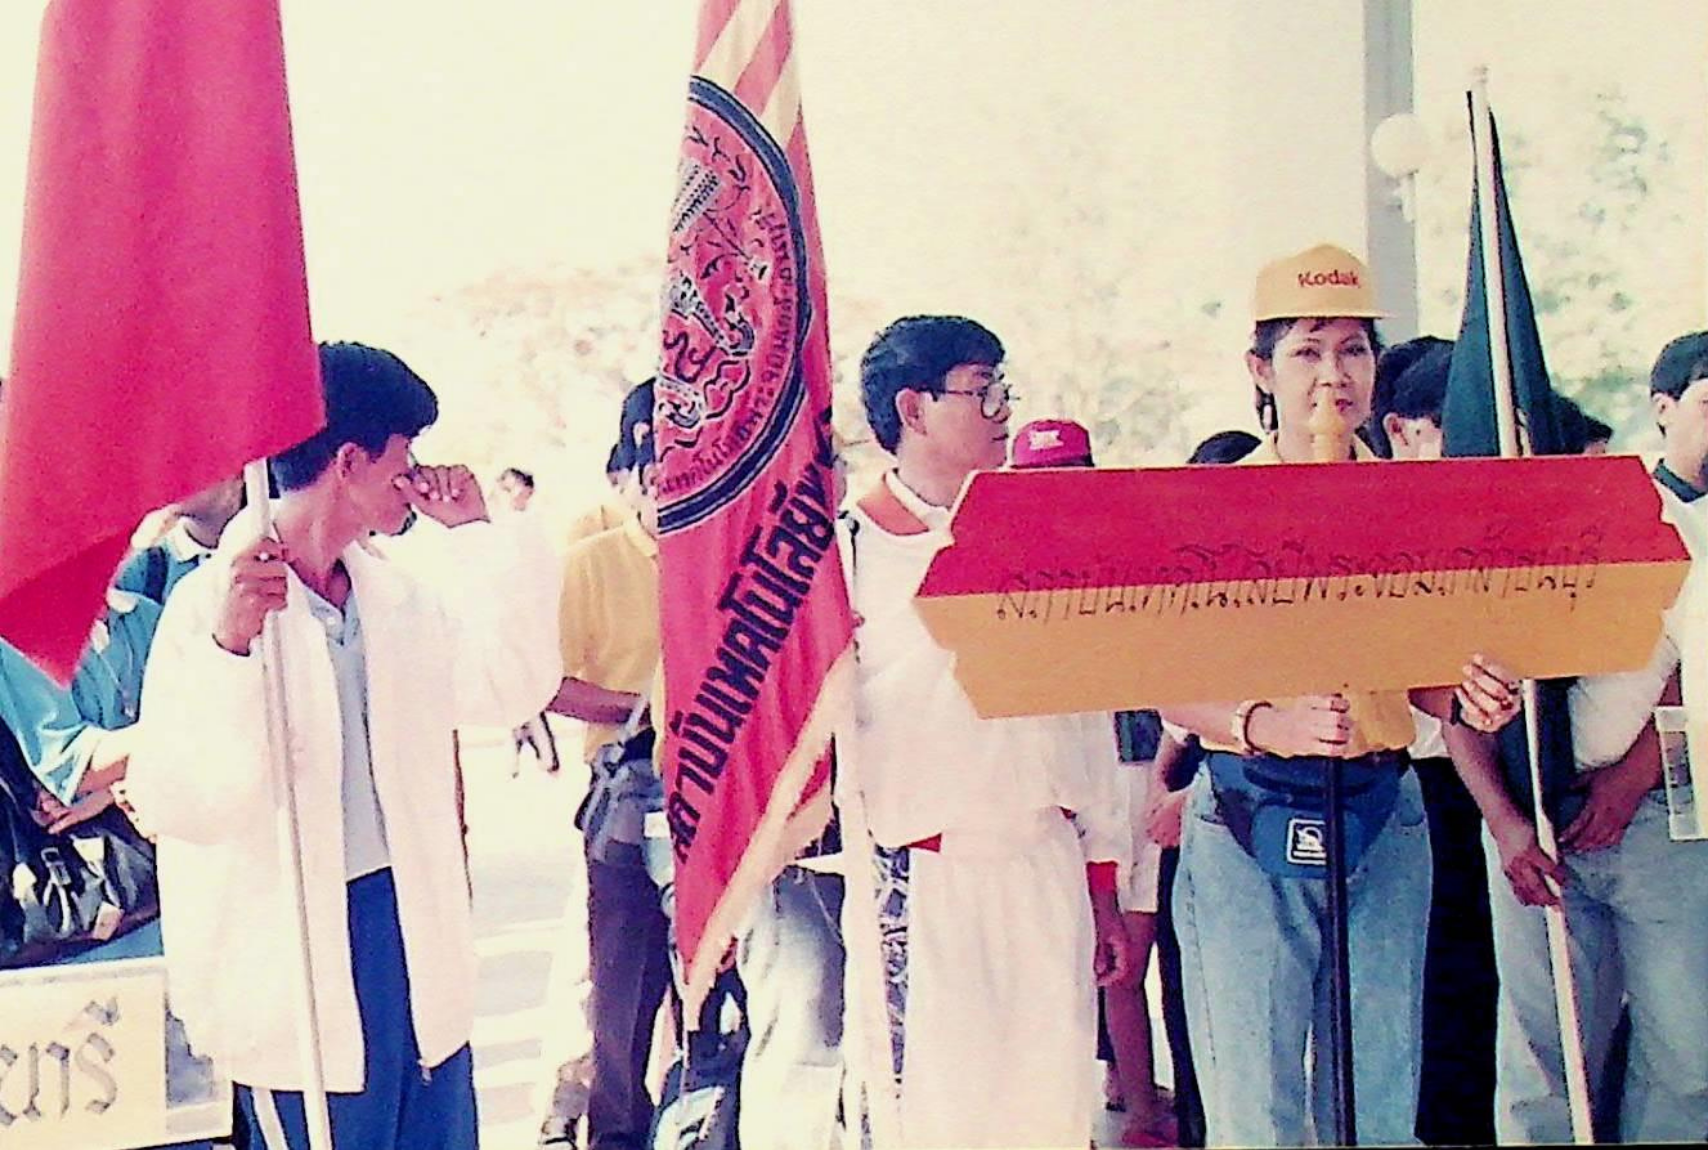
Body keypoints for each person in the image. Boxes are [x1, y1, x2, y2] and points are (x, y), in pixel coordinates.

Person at [126, 341, 562, 1150]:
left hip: (413, 937)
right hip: (294, 964)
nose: (417, 475)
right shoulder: (210, 604)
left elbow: (508, 688)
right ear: (352, 461)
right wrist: (229, 649)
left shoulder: (402, 597)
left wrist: (475, 538)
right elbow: (180, 802)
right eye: (405, 455)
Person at [1159, 245, 1521, 1147]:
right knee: (1256, 1104)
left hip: (1386, 814)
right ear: (1260, 369)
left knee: (1381, 1099)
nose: (1334, 375)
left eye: (1354, 350)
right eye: (1307, 351)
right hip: (1245, 814)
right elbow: (1159, 680)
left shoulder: (1419, 504)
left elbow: (1429, 672)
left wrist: (1470, 697)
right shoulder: (1210, 508)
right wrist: (1264, 721)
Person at [844, 316, 1131, 1149]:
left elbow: (1087, 717)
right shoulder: (845, 551)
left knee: (1051, 1114)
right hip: (925, 875)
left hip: (1045, 866)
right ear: (913, 409)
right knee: (936, 1122)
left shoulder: (1041, 536)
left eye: (1004, 390)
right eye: (982, 391)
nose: (1003, 411)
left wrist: (1102, 885)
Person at [1452, 329, 1708, 1145]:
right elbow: (1457, 701)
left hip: (1660, 815)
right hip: (1534, 813)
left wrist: (1632, 779)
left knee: (1688, 1051)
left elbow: (1691, 671)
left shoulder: (1660, 529)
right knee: (1544, 1059)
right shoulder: (1496, 551)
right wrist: (1507, 824)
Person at [1371, 336, 1501, 1145]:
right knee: (1421, 997)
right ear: (1402, 430)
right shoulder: (1373, 522)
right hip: (1404, 783)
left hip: (1489, 784)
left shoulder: (1493, 520)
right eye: (1458, 425)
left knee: (1481, 993)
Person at [537, 378, 668, 1150]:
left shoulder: (736, 556)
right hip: (630, 797)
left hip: (733, 790)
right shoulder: (589, 561)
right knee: (621, 998)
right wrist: (645, 709)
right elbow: (545, 681)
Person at [115, 476, 244, 602]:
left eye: (196, 463)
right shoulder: (144, 569)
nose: (176, 475)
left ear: (238, 477)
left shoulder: (253, 556)